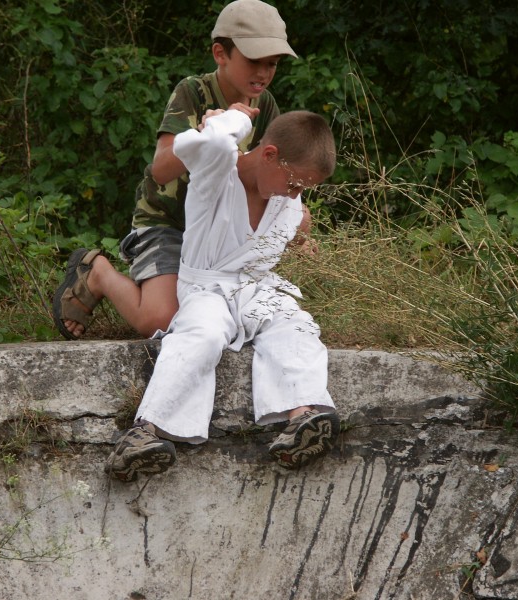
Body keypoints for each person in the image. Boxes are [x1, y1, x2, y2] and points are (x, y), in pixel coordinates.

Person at [105, 107, 340, 482]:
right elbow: (213, 140)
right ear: (269, 154)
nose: (296, 194)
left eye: (302, 189)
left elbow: (290, 224)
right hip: (205, 287)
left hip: (255, 288)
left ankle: (303, 417)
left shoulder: (286, 201)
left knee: (295, 324)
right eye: (295, 183)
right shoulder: (218, 173)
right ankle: (144, 432)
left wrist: (300, 236)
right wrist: (234, 118)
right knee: (204, 335)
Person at [52, 0, 306, 340]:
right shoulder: (193, 92)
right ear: (220, 53)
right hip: (169, 222)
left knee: (242, 316)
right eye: (253, 61)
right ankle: (97, 273)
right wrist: (206, 135)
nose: (263, 72)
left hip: (218, 235)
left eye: (271, 63)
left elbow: (268, 175)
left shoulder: (266, 105)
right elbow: (161, 169)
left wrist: (292, 219)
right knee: (159, 320)